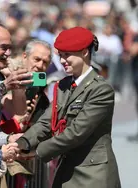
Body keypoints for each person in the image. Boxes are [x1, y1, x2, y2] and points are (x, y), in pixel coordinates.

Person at [16, 27, 121, 188]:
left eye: (67, 55)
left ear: (85, 53)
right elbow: (46, 122)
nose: (63, 61)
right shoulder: (63, 85)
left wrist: (37, 152)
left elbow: (76, 132)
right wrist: (22, 143)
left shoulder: (101, 90)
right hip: (67, 171)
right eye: (61, 55)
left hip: (93, 175)